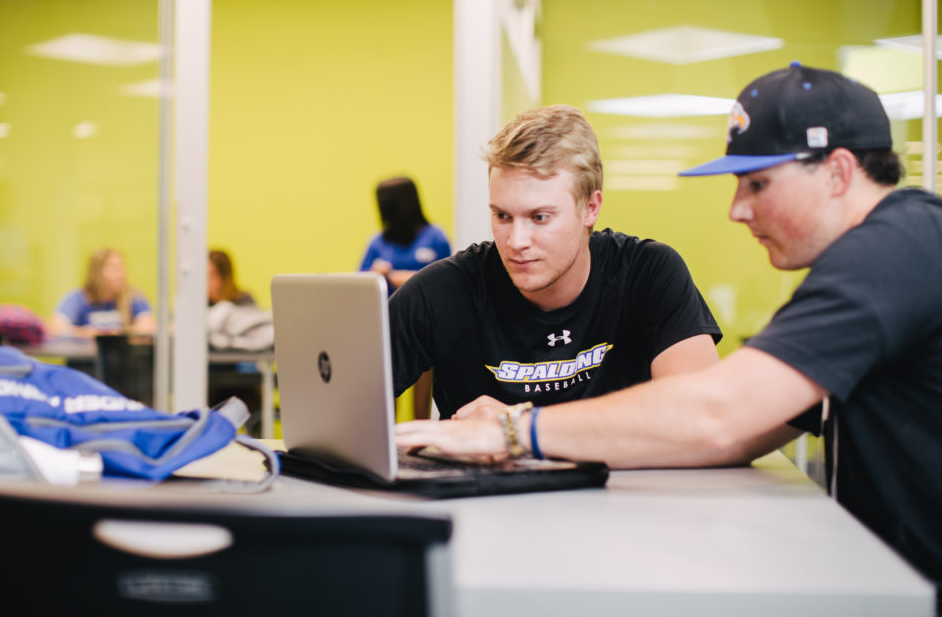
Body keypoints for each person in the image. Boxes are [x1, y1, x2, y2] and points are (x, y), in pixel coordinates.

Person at [396, 64, 942, 607]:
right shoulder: (890, 252)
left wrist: (515, 432)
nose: (737, 209)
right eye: (501, 216)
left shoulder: (891, 253)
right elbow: (748, 421)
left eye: (757, 184)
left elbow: (718, 414)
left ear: (838, 173)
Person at [390, 104, 722, 420]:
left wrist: (519, 426)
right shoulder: (445, 292)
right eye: (502, 215)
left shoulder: (648, 274)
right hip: (480, 480)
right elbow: (342, 407)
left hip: (619, 479)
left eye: (540, 217)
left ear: (590, 208)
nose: (516, 241)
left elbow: (703, 417)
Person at [359, 176, 451, 295]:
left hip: (424, 311)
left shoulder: (436, 238)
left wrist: (398, 277)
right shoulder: (378, 242)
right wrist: (375, 274)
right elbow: (360, 283)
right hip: (387, 310)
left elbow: (445, 282)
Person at [47, 248, 156, 338]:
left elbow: (148, 327)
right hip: (85, 362)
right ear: (97, 273)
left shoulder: (134, 297)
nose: (121, 275)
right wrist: (90, 334)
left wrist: (113, 335)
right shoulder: (78, 298)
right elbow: (56, 328)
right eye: (114, 269)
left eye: (122, 269)